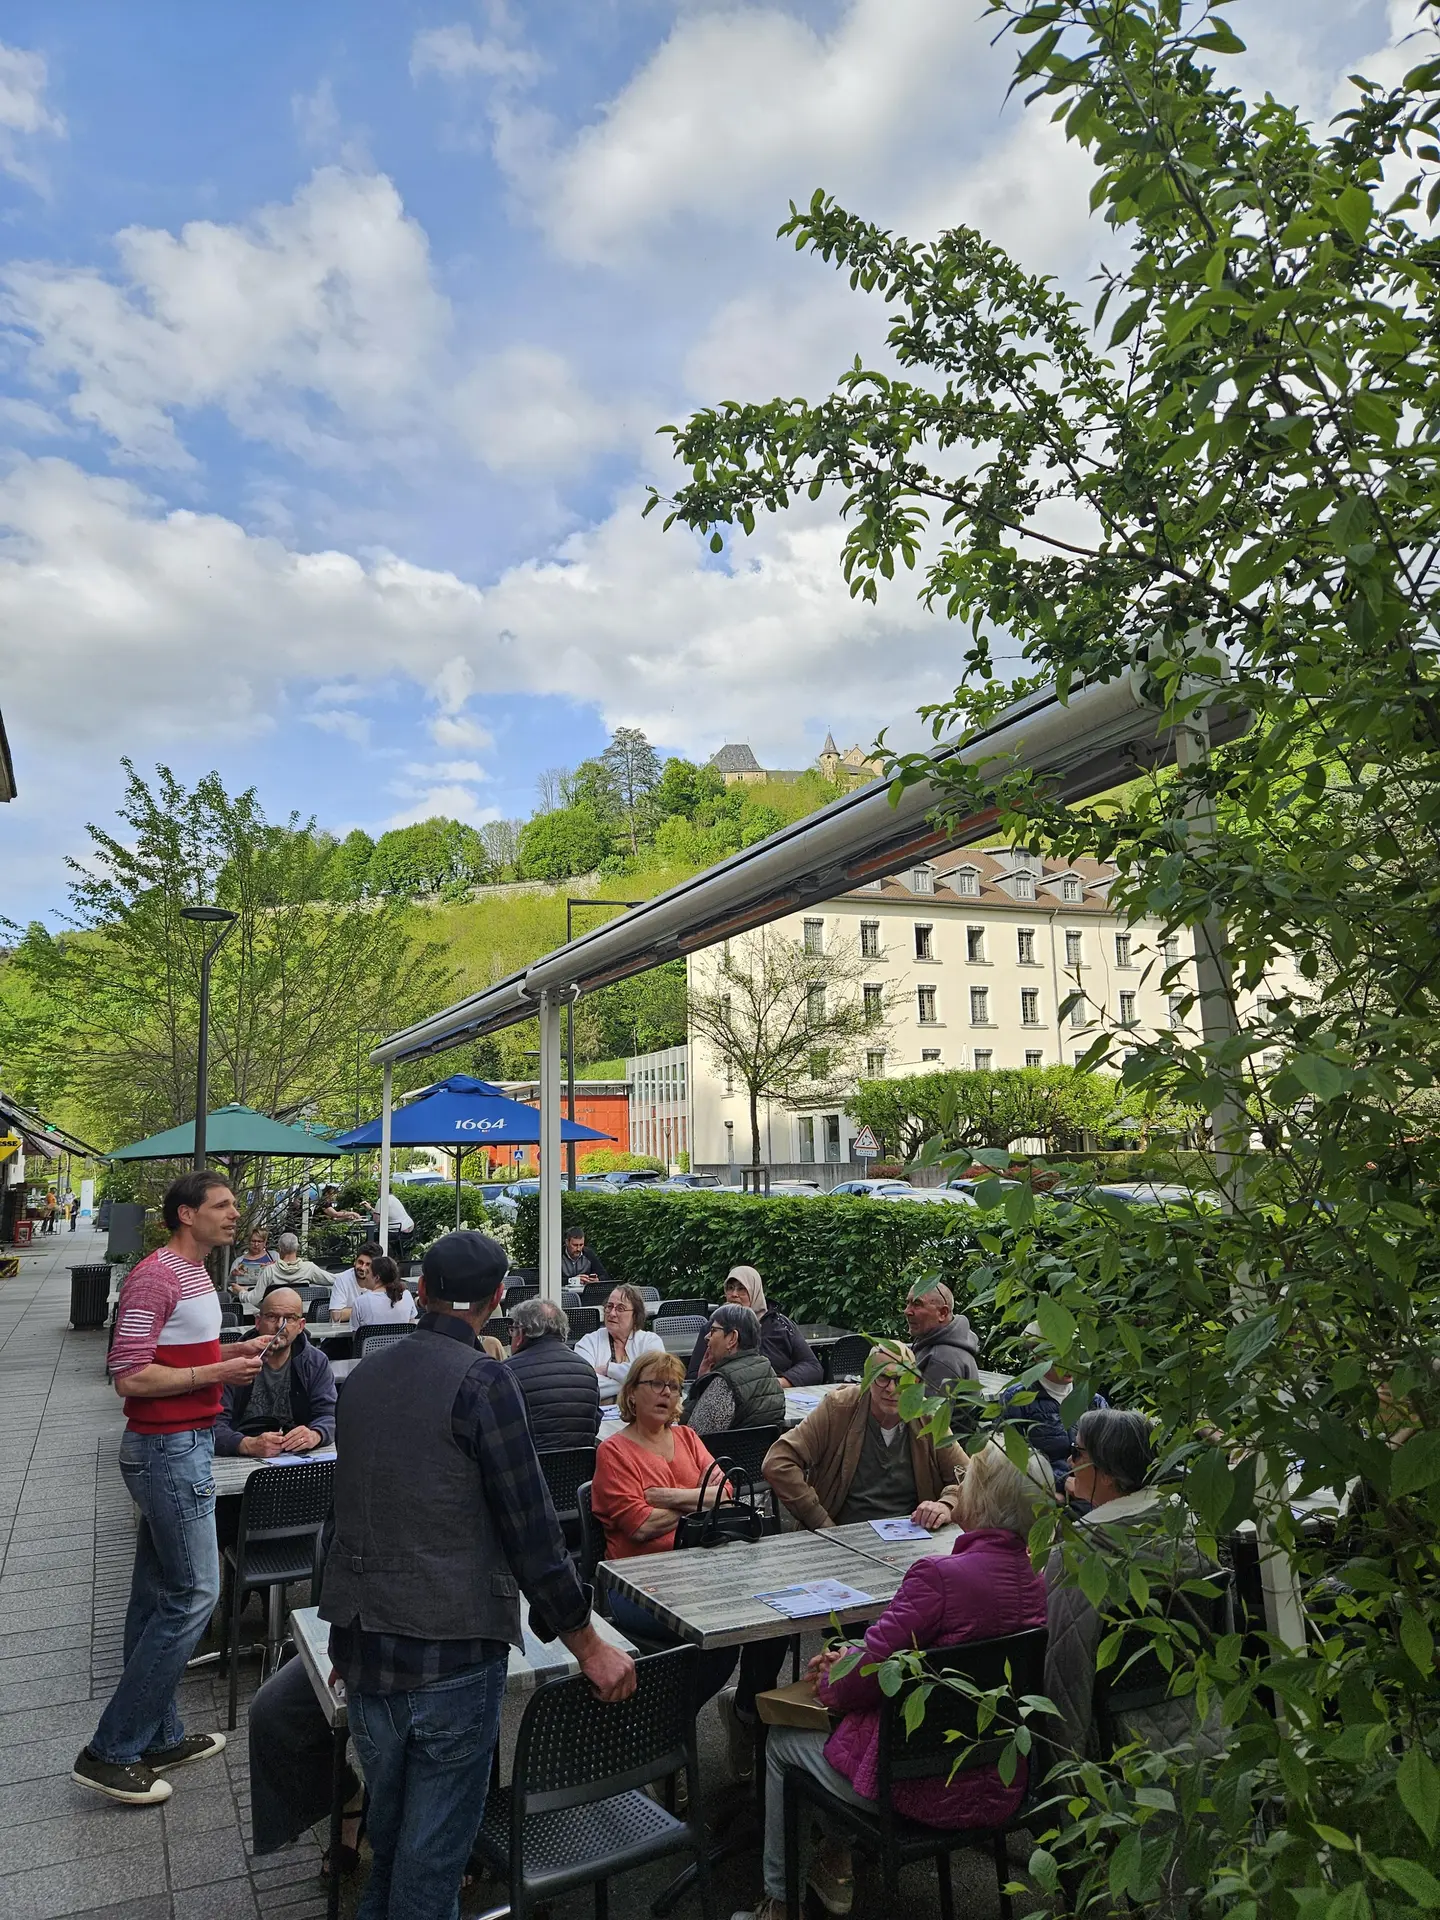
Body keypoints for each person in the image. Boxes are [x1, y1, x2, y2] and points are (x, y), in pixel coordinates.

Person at [320, 1229, 635, 1920]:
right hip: (452, 1653)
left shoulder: (364, 1375)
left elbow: (347, 1513)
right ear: (497, 1302)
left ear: (421, 1291)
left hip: (366, 1648)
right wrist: (588, 1645)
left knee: (395, 1847)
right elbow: (531, 1528)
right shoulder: (485, 1380)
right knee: (431, 1872)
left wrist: (346, 1622)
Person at [735, 1441, 1055, 1920]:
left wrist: (833, 1670)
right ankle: (832, 1856)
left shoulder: (940, 1577)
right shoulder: (1042, 1577)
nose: (958, 1483)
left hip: (917, 1785)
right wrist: (852, 1659)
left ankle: (781, 1903)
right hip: (1003, 1777)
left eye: (966, 1478)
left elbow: (855, 1683)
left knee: (782, 1741)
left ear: (983, 1499)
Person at [72, 1171, 272, 1805]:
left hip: (182, 1446)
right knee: (195, 1595)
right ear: (187, 1215)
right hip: (165, 1451)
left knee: (156, 1596)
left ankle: (157, 1735)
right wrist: (218, 1370)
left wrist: (236, 1355)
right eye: (222, 1205)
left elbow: (182, 1359)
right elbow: (128, 1377)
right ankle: (110, 1749)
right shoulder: (157, 1274)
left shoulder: (199, 1276)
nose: (235, 1213)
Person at [1044, 1408, 1218, 1757]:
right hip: (1209, 1726)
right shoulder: (1194, 1530)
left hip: (1125, 1748)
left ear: (1107, 1474)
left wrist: (1071, 1776)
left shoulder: (1079, 1556)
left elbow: (1067, 1677)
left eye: (1077, 1452)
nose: (1068, 1459)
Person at [763, 1343, 966, 1532]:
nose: (892, 1389)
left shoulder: (926, 1415)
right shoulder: (839, 1408)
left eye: (902, 1379)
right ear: (867, 1378)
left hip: (913, 1533)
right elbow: (777, 1462)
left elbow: (970, 1478)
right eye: (883, 1377)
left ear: (915, 1381)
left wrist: (946, 1504)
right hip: (845, 1534)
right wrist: (820, 1521)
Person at [213, 1288, 337, 1458]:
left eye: (289, 1319)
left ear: (301, 1326)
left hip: (296, 1456)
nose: (280, 1326)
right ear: (258, 1321)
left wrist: (316, 1434)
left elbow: (330, 1415)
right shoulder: (233, 1362)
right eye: (272, 1316)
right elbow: (213, 1424)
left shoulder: (315, 1362)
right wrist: (245, 1445)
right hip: (238, 1456)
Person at [1000, 1322, 1108, 1491]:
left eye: (1074, 1352)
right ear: (1037, 1356)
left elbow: (1108, 1453)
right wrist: (1060, 1483)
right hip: (1039, 1493)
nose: (1070, 1362)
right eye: (1058, 1355)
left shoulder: (1092, 1400)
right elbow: (1011, 1458)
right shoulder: (1017, 1399)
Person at [685, 1267, 822, 1388]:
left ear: (754, 1291)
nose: (734, 1294)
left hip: (777, 1398)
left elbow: (812, 1367)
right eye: (730, 1288)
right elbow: (693, 1375)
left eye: (741, 1289)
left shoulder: (780, 1325)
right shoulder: (714, 1328)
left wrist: (778, 1383)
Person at [506, 1295, 601, 1449]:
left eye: (512, 1330)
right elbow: (593, 1424)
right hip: (578, 1469)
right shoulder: (586, 1370)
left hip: (527, 1470)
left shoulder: (507, 1372)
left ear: (520, 1333)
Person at [681, 1305, 786, 1437]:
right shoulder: (767, 1371)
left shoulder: (724, 1383)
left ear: (732, 1338)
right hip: (762, 1457)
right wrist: (703, 1380)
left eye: (713, 1330)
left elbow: (692, 1438)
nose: (707, 1337)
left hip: (722, 1457)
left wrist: (696, 1391)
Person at [902, 1277, 982, 1395]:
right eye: (908, 1303)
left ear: (943, 1313)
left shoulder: (942, 1358)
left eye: (917, 1304)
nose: (907, 1311)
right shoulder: (936, 1341)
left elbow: (925, 1411)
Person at [575, 1283, 664, 1383]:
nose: (612, 1313)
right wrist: (633, 1384)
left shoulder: (650, 1341)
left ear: (635, 1315)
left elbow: (654, 1374)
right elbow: (584, 1382)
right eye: (609, 1306)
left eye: (620, 1309)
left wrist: (607, 1370)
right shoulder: (588, 1342)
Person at [239, 1232, 331, 1308]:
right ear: (297, 1248)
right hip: (299, 1316)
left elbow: (254, 1299)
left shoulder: (270, 1270)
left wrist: (241, 1292)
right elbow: (334, 1279)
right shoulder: (309, 1268)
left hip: (274, 1316)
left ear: (279, 1249)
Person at [351, 1254, 419, 1329]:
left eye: (367, 1272)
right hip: (403, 1341)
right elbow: (410, 1328)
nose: (365, 1276)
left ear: (376, 1278)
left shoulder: (360, 1302)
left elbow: (356, 1336)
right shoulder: (406, 1295)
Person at [327, 1242, 381, 1325]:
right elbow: (336, 1316)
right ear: (355, 1261)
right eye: (360, 1262)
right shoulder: (342, 1279)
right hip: (343, 1332)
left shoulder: (381, 1280)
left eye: (368, 1265)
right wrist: (369, 1309)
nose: (362, 1268)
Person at [228, 1228, 277, 1295]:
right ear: (249, 1242)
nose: (256, 1244)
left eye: (259, 1241)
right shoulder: (239, 1261)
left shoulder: (273, 1256)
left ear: (265, 1242)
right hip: (244, 1295)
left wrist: (275, 1267)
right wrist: (233, 1275)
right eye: (253, 1241)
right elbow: (230, 1284)